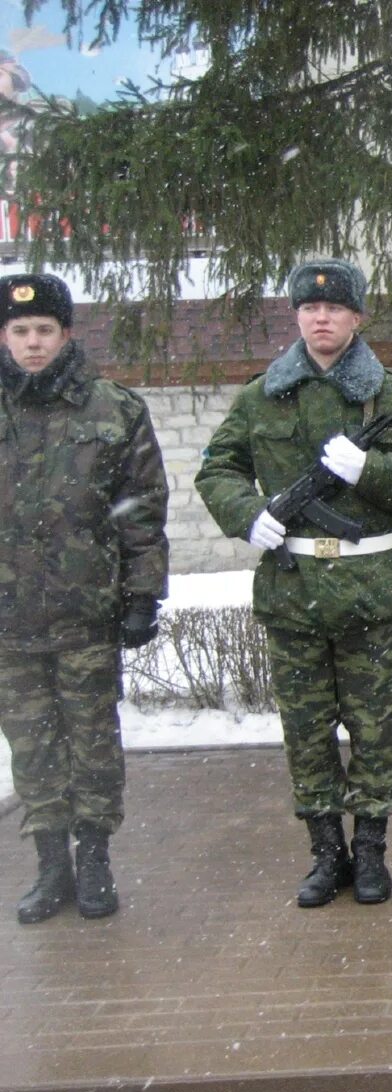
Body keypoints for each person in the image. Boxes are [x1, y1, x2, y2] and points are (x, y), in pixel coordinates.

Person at [195, 259, 392, 905]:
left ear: (357, 317)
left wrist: (372, 469)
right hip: (292, 585)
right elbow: (218, 467)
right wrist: (245, 513)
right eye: (310, 309)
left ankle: (370, 853)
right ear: (297, 316)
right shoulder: (262, 395)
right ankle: (324, 854)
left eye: (335, 308)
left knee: (372, 727)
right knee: (306, 731)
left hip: (368, 584)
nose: (322, 317)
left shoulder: (389, 395)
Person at [0, 272, 168, 922]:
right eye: (21, 331)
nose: (33, 342)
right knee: (32, 745)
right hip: (10, 622)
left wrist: (142, 594)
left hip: (86, 615)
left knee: (93, 740)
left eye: (45, 330)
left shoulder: (112, 410)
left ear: (66, 334)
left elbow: (142, 510)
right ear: (5, 336)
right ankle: (51, 867)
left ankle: (95, 859)